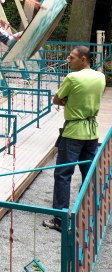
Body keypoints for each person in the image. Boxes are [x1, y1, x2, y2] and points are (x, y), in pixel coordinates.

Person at [43, 46, 106, 232]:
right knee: (88, 173)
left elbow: (57, 99)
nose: (68, 60)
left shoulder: (72, 78)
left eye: (72, 57)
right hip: (92, 132)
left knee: (63, 174)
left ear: (83, 59)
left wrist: (68, 101)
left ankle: (60, 218)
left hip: (73, 131)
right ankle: (87, 213)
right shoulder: (100, 77)